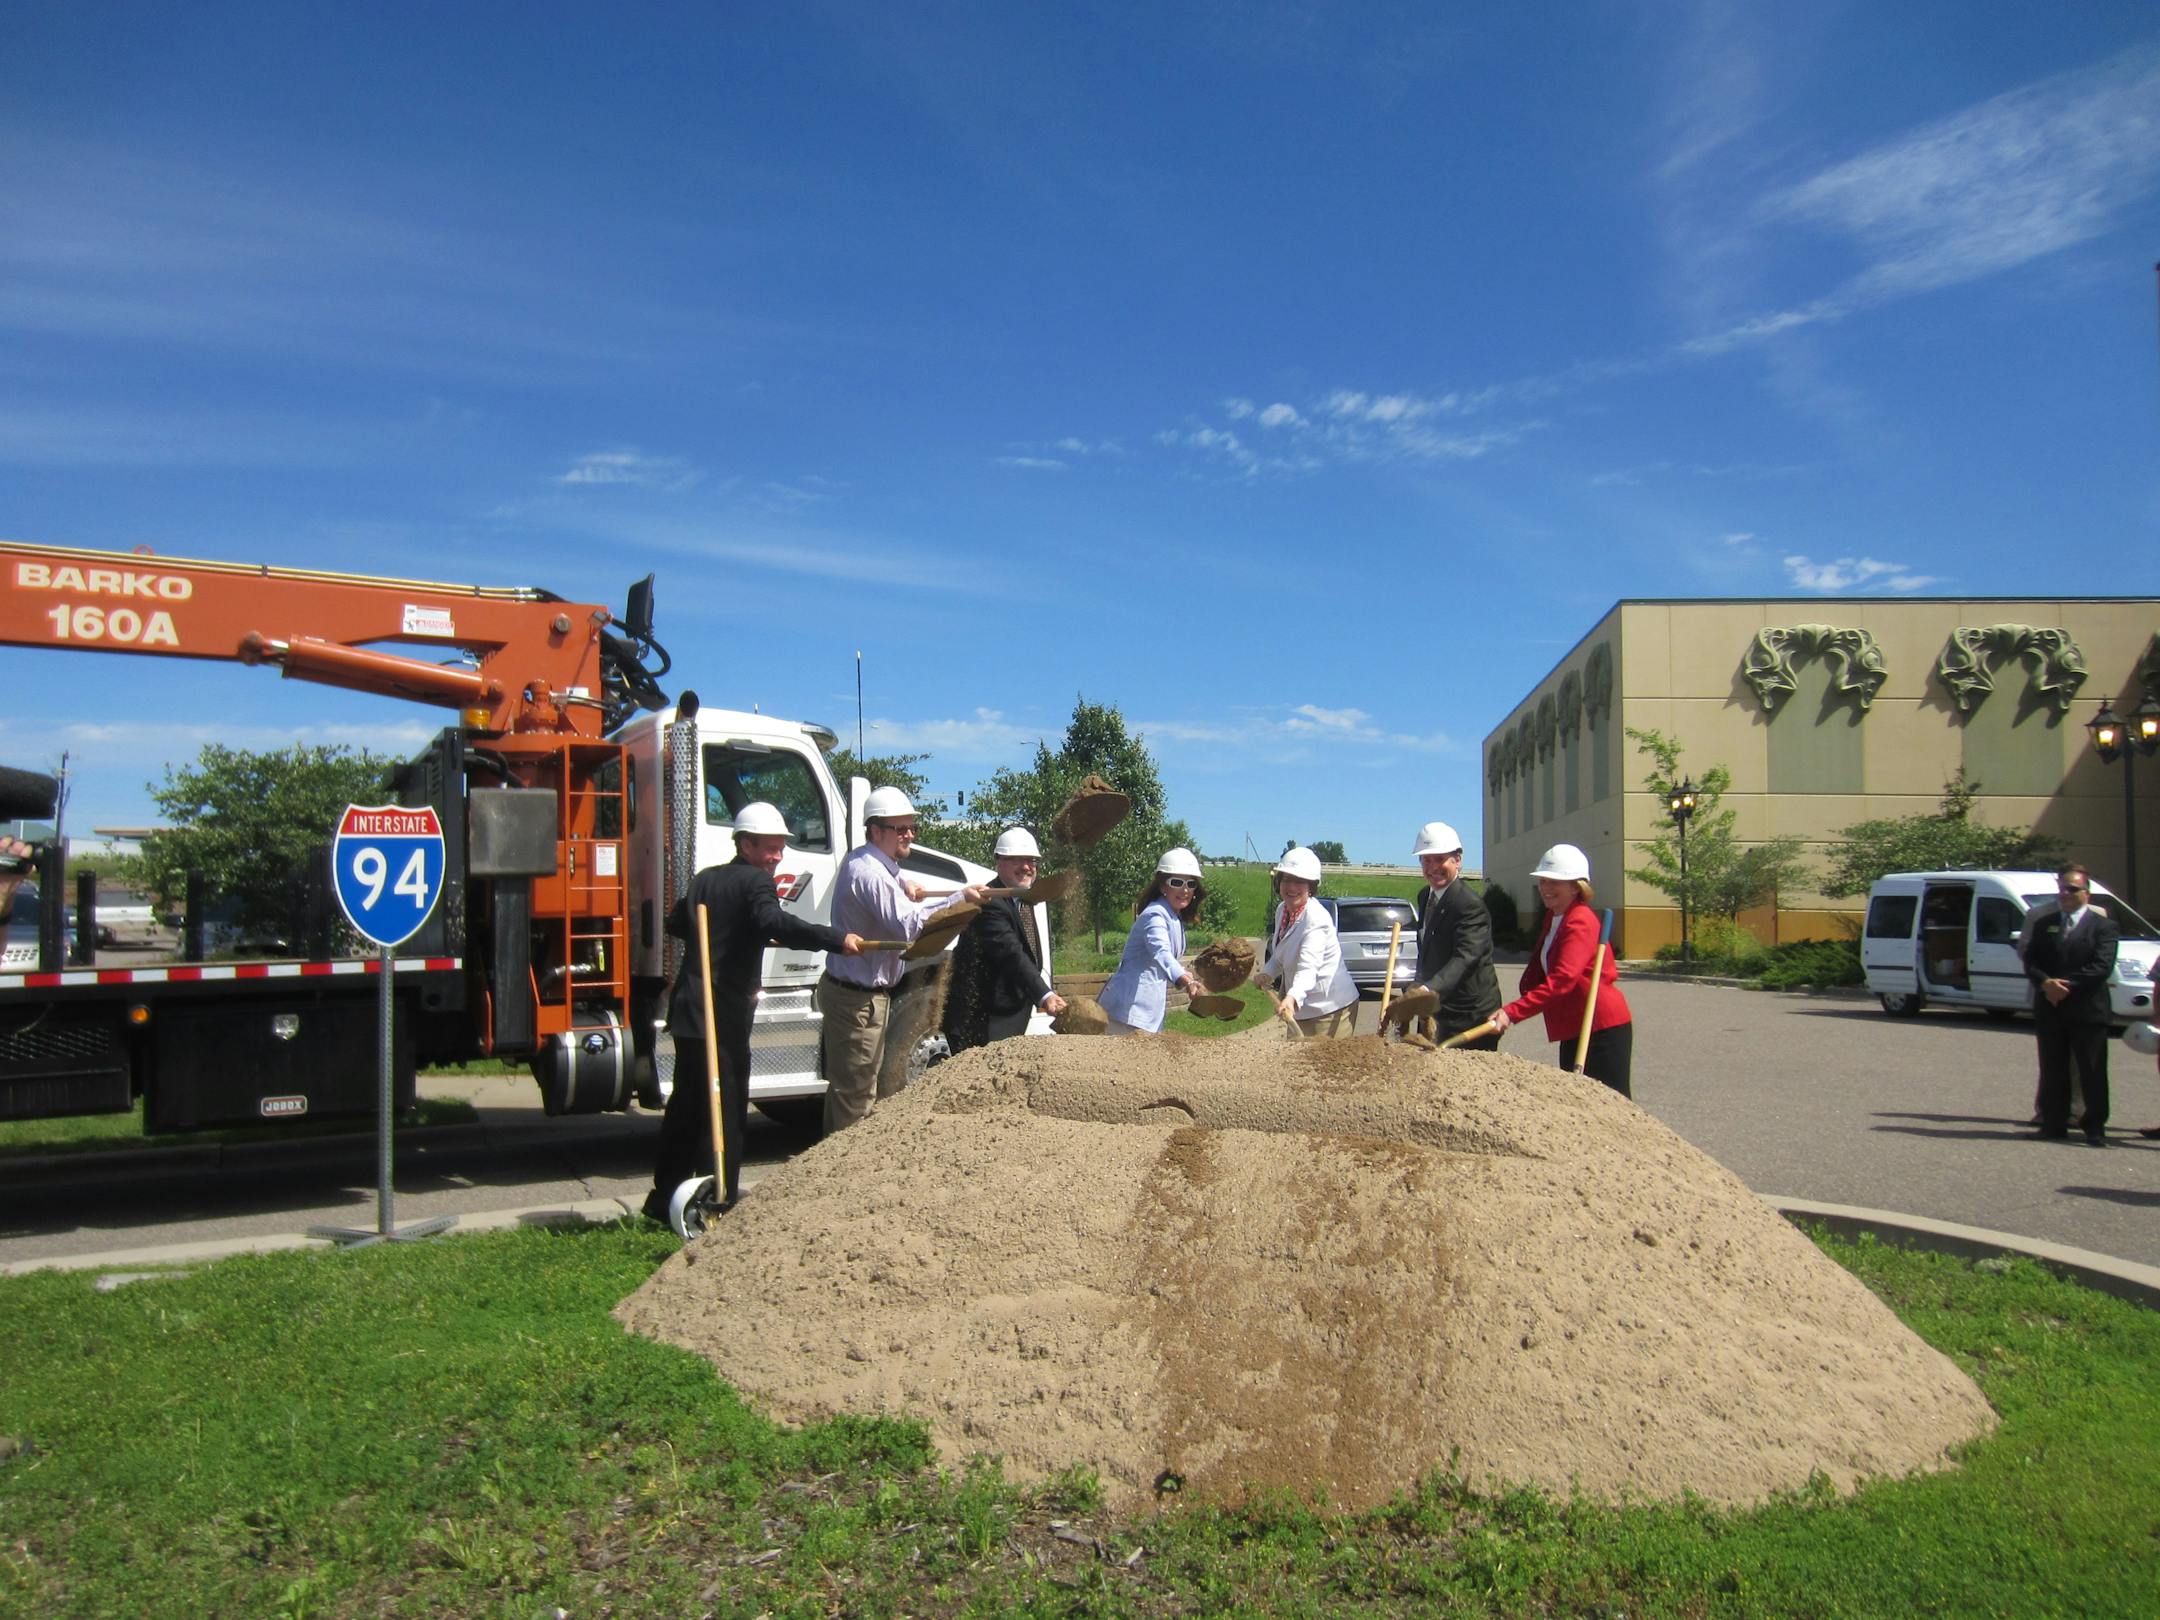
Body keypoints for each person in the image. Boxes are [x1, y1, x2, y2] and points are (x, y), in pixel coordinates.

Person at [644, 802, 864, 1224]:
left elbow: (677, 922)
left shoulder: (707, 879)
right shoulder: (755, 883)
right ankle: (720, 1198)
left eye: (781, 848)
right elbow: (773, 922)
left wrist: (727, 932)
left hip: (691, 1008)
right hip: (721, 1012)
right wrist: (837, 939)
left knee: (687, 1107)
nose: (777, 856)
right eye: (770, 848)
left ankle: (663, 1199)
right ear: (745, 845)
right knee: (726, 1107)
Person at [819, 787, 985, 1133]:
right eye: (901, 829)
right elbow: (909, 925)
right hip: (856, 1000)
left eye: (912, 828)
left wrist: (904, 883)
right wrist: (959, 898)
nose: (909, 834)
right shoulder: (870, 873)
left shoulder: (880, 867)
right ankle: (846, 1173)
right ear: (875, 831)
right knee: (856, 1096)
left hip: (861, 996)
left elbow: (893, 892)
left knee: (856, 1089)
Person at [1490, 842, 1634, 1097]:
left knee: (1612, 1107)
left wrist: (1512, 1013)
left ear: (1576, 886)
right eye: (1544, 881)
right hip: (1574, 1028)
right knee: (1577, 1105)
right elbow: (1540, 967)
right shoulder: (1555, 916)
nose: (1546, 888)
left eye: (1555, 882)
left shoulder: (1580, 920)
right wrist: (1522, 997)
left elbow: (1562, 979)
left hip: (1600, 1028)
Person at [941, 826, 1068, 1052]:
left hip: (1007, 1016)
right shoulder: (989, 903)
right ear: (999, 862)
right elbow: (1012, 954)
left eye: (1032, 861)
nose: (1027, 867)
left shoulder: (1022, 899)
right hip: (980, 1023)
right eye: (1017, 860)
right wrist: (1044, 994)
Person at [2023, 863, 2118, 1144]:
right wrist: (2045, 983)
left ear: (2086, 894)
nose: (2065, 894)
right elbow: (2031, 960)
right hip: (2051, 1008)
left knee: (2091, 1071)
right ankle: (2053, 1124)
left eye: (2072, 889)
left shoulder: (2103, 926)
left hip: (2088, 1010)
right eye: (2062, 889)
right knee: (2053, 1068)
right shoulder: (2044, 923)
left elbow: (2102, 966)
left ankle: (2094, 1127)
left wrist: (2066, 986)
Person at [1404, 820, 1501, 1048]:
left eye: (1440, 859)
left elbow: (1465, 958)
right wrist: (1417, 984)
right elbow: (1428, 948)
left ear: (1457, 860)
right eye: (1426, 860)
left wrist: (1427, 989)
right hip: (1437, 1008)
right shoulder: (1424, 896)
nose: (1433, 867)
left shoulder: (1469, 905)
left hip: (1469, 1015)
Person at [1098, 848, 1206, 1035]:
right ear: (1163, 886)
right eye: (1177, 882)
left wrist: (1187, 976)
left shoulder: (1172, 916)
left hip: (1146, 1013)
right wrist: (1184, 979)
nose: (1185, 889)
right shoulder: (1154, 914)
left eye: (1191, 883)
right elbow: (1161, 952)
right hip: (1128, 1012)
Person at [1253, 846, 1359, 1035]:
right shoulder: (1282, 911)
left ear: (1311, 886)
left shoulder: (1316, 919)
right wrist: (1267, 973)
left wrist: (1292, 998)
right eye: (1286, 880)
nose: (1291, 887)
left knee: (1323, 1064)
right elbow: (1280, 956)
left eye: (1299, 881)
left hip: (1329, 1010)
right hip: (1300, 1010)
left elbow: (1308, 968)